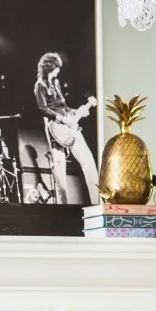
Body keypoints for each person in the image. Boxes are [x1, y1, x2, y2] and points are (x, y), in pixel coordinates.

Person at [34, 52, 98, 204]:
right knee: (60, 170)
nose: (58, 71)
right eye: (57, 67)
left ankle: (97, 202)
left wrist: (76, 111)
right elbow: (42, 108)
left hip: (70, 126)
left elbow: (63, 105)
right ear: (49, 67)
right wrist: (62, 119)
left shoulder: (56, 83)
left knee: (88, 162)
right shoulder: (39, 85)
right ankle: (63, 208)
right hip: (55, 128)